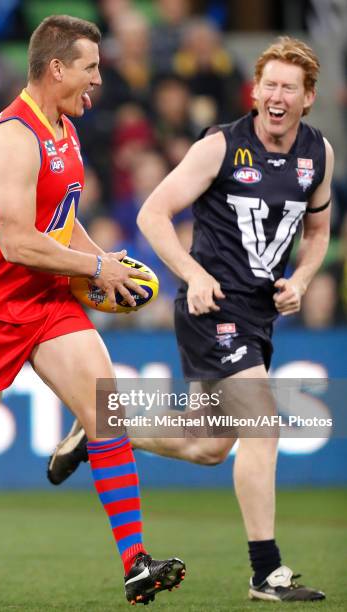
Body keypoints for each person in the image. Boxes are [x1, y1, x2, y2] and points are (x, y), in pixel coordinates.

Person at [0, 15, 185, 605]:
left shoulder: (65, 129)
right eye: (90, 68)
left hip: (45, 298)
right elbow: (16, 242)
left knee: (106, 406)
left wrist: (105, 262)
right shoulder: (13, 137)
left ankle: (135, 563)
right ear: (56, 69)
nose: (98, 80)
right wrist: (96, 270)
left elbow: (61, 225)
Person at [48, 37, 332, 602]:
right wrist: (192, 275)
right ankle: (266, 573)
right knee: (263, 424)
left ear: (309, 98)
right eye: (268, 85)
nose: (276, 96)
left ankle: (109, 421)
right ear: (255, 91)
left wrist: (299, 281)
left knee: (209, 446)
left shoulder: (319, 154)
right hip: (211, 307)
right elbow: (154, 213)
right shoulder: (221, 147)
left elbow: (319, 233)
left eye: (288, 88)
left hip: (259, 315)